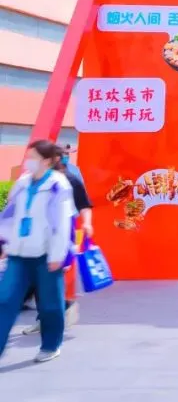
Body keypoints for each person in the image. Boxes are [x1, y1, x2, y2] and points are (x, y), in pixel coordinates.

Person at [0, 140, 77, 364]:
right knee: (5, 301)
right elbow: (9, 214)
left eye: (33, 157)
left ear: (47, 161)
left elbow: (62, 223)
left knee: (50, 304)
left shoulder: (58, 185)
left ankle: (51, 345)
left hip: (46, 255)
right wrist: (4, 243)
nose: (28, 161)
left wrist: (57, 255)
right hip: (18, 254)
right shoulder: (23, 182)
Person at [22, 148, 93, 335]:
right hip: (36, 235)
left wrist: (87, 223)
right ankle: (49, 316)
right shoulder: (35, 179)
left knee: (47, 278)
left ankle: (60, 310)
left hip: (59, 235)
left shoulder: (69, 179)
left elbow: (84, 205)